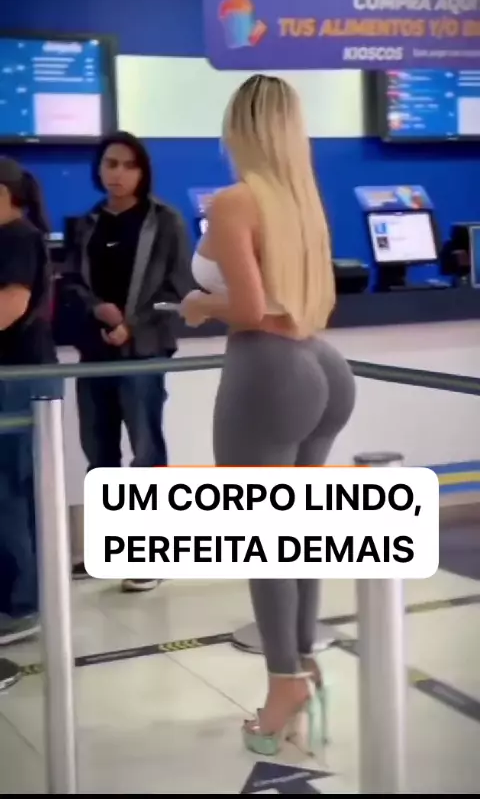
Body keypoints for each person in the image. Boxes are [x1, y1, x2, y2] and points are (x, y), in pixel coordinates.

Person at [179, 75, 356, 755]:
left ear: (240, 127)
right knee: (299, 531)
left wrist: (199, 306)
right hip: (322, 365)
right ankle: (303, 665)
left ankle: (284, 684)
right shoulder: (302, 200)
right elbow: (310, 300)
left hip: (267, 371)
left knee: (264, 536)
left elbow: (250, 309)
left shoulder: (235, 201)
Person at [65, 132, 192, 592]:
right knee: (99, 452)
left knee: (145, 452)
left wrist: (131, 325)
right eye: (109, 163)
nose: (116, 173)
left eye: (127, 165)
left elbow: (178, 288)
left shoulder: (165, 221)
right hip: (94, 353)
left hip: (144, 351)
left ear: (142, 172)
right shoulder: (87, 224)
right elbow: (71, 281)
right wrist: (97, 310)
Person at [0, 159, 57, 645]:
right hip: (17, 376)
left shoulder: (17, 237)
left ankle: (22, 606)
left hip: (18, 377)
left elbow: (10, 306)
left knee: (9, 490)